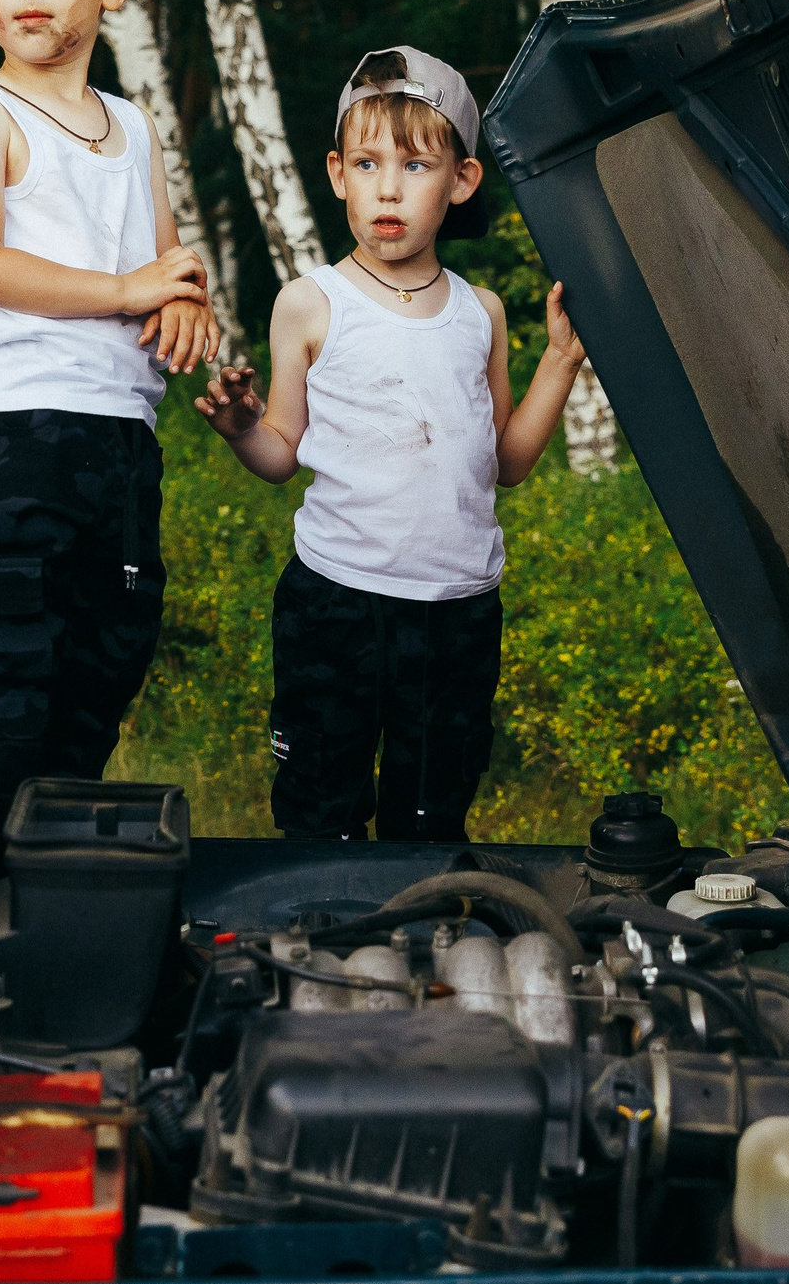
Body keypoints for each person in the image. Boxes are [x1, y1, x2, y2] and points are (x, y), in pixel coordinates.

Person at [195, 46, 590, 841]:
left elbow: (506, 462)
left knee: (430, 813)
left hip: (456, 613)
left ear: (462, 181)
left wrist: (560, 360)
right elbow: (280, 453)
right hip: (337, 603)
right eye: (368, 162)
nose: (388, 186)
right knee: (322, 805)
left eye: (415, 165)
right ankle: (319, 948)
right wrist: (242, 427)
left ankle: (422, 943)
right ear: (338, 172)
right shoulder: (310, 303)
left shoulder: (481, 312)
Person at [0, 0, 222, 834]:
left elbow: (170, 267)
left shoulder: (133, 129)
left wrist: (180, 302)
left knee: (110, 650)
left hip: (118, 445)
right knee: (13, 665)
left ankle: (43, 850)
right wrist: (127, 287)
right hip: (16, 439)